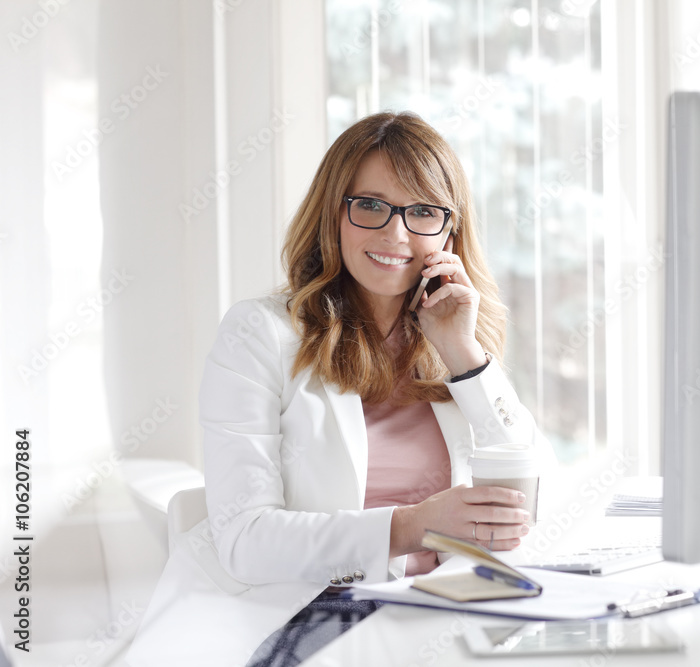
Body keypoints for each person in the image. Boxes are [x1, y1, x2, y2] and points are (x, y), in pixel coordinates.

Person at [126, 112, 552, 667]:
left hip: (445, 607)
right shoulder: (261, 334)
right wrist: (411, 526)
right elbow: (245, 541)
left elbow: (527, 488)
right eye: (371, 205)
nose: (396, 234)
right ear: (335, 212)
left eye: (422, 212)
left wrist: (464, 356)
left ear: (449, 229)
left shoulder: (451, 338)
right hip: (308, 612)